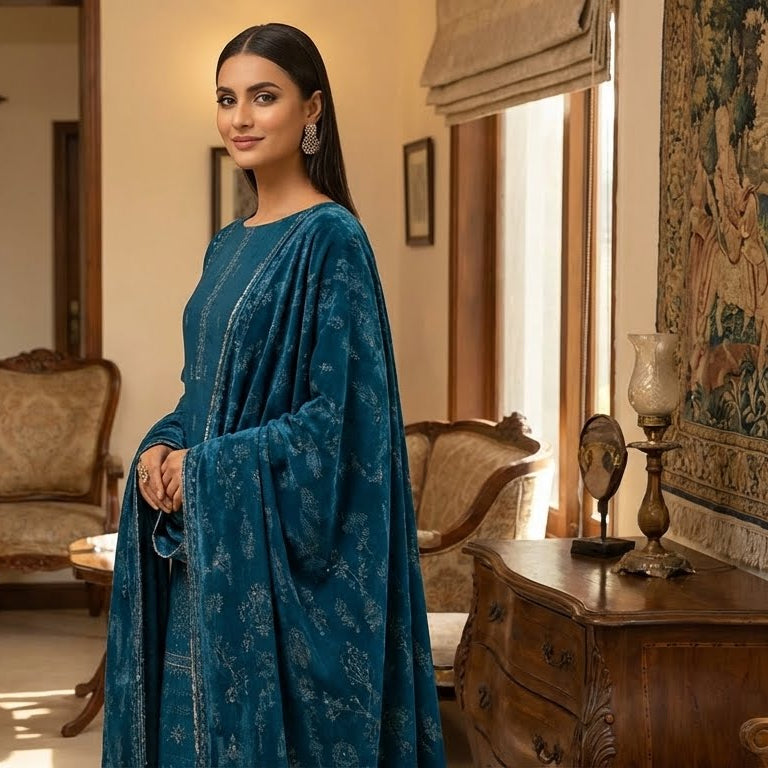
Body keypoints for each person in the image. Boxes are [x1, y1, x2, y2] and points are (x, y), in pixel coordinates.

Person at [102, 22, 446, 768]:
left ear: (312, 109)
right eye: (227, 99)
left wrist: (202, 469)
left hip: (273, 576)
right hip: (208, 559)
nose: (240, 118)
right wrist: (163, 446)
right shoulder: (227, 244)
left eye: (264, 96)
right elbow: (203, 391)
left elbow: (338, 428)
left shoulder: (332, 240)